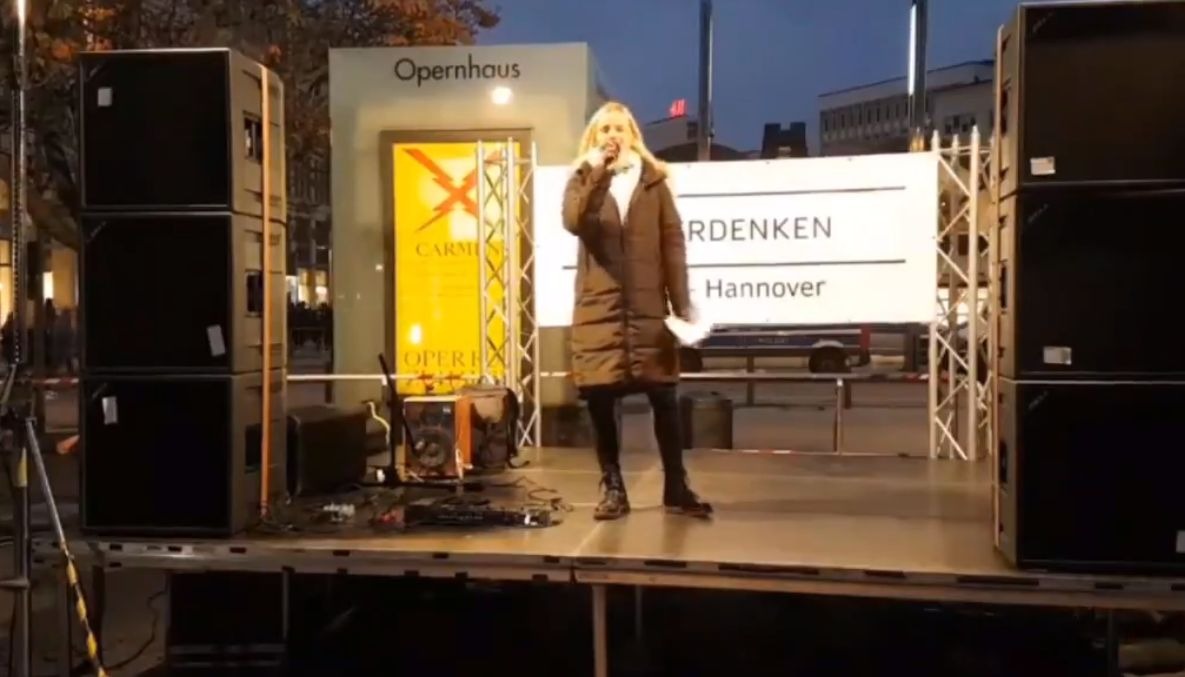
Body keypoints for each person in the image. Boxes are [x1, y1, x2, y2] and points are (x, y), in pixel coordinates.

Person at [561, 101, 712, 521]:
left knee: (664, 396)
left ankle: (676, 486)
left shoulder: (654, 181)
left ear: (632, 135)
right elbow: (575, 221)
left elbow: (673, 246)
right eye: (605, 129)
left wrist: (681, 306)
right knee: (600, 400)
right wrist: (596, 172)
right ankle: (612, 487)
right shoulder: (581, 178)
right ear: (594, 138)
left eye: (620, 129)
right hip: (598, 309)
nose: (613, 135)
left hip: (647, 310)